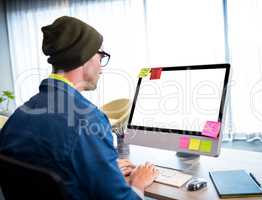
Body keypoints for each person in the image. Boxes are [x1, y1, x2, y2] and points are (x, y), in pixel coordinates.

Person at [0, 16, 158, 200]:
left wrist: (104, 167)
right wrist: (137, 183)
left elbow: (56, 165)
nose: (101, 67)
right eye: (101, 56)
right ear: (86, 57)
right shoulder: (89, 120)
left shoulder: (18, 117)